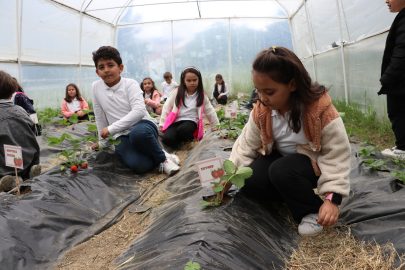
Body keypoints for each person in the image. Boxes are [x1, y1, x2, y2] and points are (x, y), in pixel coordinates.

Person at [222, 47, 351, 237]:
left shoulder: (319, 109)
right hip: (281, 160)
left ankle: (311, 211)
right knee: (249, 180)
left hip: (312, 165)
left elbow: (336, 153)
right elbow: (246, 144)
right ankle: (294, 196)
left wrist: (332, 199)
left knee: (281, 170)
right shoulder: (262, 110)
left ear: (292, 84)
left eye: (269, 92)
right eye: (258, 91)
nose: (263, 99)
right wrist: (230, 175)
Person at [90, 46, 180, 176]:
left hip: (142, 126)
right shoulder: (96, 87)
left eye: (110, 65)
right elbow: (99, 116)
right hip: (120, 135)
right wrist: (102, 143)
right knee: (140, 165)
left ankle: (164, 160)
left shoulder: (130, 84)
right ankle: (161, 153)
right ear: (97, 72)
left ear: (120, 68)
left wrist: (111, 129)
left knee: (138, 134)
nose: (106, 70)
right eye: (101, 67)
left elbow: (138, 111)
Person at [0, 71, 41, 192]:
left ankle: (5, 177)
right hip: (27, 160)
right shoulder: (20, 110)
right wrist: (35, 161)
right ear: (11, 92)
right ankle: (28, 172)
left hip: (4, 166)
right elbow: (32, 134)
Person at [159, 67, 219, 148]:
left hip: (191, 121)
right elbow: (167, 107)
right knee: (167, 139)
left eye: (194, 80)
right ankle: (182, 146)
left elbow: (210, 111)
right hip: (177, 120)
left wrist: (215, 127)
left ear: (199, 80)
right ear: (184, 81)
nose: (192, 83)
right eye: (189, 80)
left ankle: (192, 142)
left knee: (183, 130)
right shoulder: (177, 92)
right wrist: (162, 124)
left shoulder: (201, 95)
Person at [379, 0, 405, 159]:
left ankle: (403, 150)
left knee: (397, 112)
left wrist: (387, 78)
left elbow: (402, 51)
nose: (386, 0)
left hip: (400, 81)